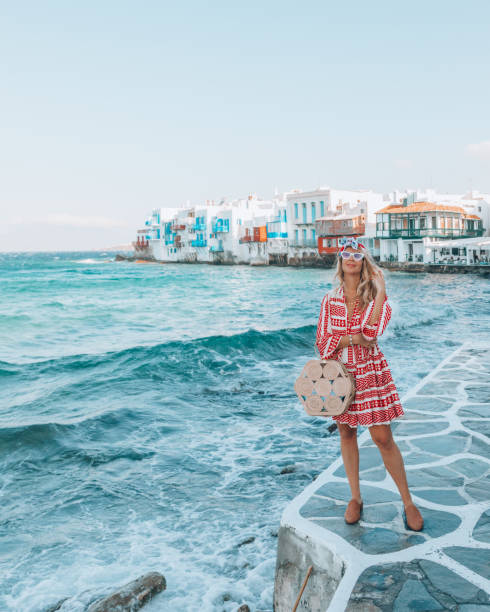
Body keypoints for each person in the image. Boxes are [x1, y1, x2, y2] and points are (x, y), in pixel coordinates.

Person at [315, 236, 424, 531]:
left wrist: (381, 290)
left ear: (364, 261)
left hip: (369, 372)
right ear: (340, 260)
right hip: (339, 374)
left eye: (357, 254)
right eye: (346, 253)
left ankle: (408, 502)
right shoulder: (329, 300)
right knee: (346, 433)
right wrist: (351, 339)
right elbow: (323, 343)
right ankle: (355, 498)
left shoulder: (377, 299)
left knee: (382, 438)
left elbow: (372, 333)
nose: (351, 258)